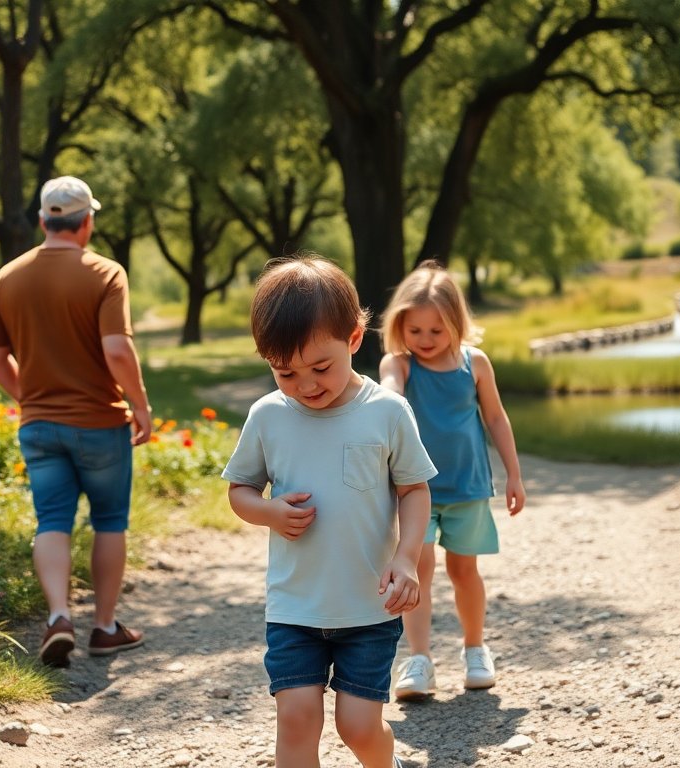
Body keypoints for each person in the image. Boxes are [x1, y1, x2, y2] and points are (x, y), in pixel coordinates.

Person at [223, 255, 436, 768]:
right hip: (295, 607)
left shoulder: (386, 410)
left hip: (369, 607)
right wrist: (269, 511)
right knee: (296, 720)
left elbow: (413, 491)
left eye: (321, 367)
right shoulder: (268, 415)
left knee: (358, 727)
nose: (306, 384)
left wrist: (407, 557)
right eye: (285, 372)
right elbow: (240, 490)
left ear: (355, 339)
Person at [0, 175, 152, 668]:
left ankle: (59, 616)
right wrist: (139, 405)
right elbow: (117, 349)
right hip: (100, 423)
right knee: (109, 521)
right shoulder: (105, 273)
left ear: (43, 220)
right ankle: (103, 627)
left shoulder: (8, 277)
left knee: (52, 519)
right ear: (88, 222)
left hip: (39, 426)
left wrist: (29, 396)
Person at [377, 260, 526, 700]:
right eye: (414, 330)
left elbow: (496, 418)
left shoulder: (474, 364)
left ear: (456, 325)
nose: (424, 340)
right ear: (399, 326)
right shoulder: (399, 365)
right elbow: (389, 394)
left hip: (467, 488)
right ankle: (419, 659)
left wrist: (514, 474)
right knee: (417, 569)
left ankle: (475, 648)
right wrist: (390, 396)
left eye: (435, 331)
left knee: (465, 570)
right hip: (414, 491)